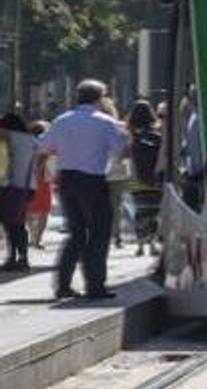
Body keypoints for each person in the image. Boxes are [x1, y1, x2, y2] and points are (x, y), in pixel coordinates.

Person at [36, 80, 130, 300]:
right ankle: (95, 285)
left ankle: (63, 285)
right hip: (93, 180)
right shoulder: (106, 122)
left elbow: (45, 148)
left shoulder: (61, 120)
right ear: (99, 98)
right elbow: (120, 151)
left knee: (76, 233)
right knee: (99, 232)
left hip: (67, 180)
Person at [1, 114, 39, 272]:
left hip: (8, 186)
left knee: (9, 224)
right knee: (18, 223)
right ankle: (23, 257)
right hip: (27, 186)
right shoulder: (31, 140)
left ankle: (12, 257)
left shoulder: (6, 137)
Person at [126, 101, 163, 257]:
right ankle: (153, 245)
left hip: (137, 179)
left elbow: (126, 156)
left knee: (140, 212)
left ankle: (140, 245)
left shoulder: (131, 135)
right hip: (155, 178)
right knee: (154, 212)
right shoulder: (157, 135)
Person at [99, 98, 130, 250]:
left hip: (98, 172)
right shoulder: (122, 128)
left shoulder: (95, 127)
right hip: (118, 171)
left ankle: (103, 234)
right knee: (116, 205)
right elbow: (126, 150)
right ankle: (116, 235)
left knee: (100, 206)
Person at [26, 121, 52, 250]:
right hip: (44, 181)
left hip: (29, 180)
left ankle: (32, 236)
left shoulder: (27, 144)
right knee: (44, 211)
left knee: (29, 209)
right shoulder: (47, 144)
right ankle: (37, 239)